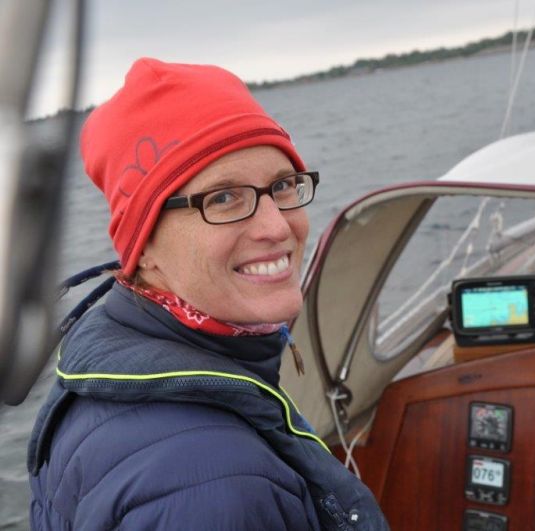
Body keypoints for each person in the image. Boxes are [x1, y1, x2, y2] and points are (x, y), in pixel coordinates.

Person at [27, 58, 388, 530]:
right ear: (143, 246)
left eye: (282, 185)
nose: (277, 226)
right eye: (222, 198)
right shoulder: (220, 483)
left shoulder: (110, 355)